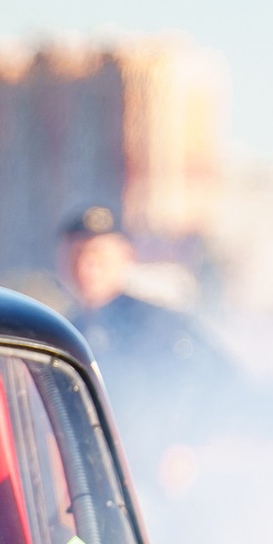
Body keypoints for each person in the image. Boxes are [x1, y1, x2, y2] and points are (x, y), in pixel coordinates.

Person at [56, 205, 237, 490]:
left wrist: (187, 445)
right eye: (75, 254)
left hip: (149, 487)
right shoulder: (62, 330)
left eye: (97, 255)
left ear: (126, 257)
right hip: (88, 482)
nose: (85, 266)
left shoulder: (157, 324)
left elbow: (223, 379)